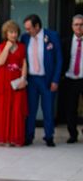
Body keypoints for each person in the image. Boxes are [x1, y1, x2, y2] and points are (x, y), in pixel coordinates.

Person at [20, 14, 63, 147]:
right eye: (26, 28)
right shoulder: (25, 38)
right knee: (30, 110)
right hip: (31, 80)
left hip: (47, 80)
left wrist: (55, 80)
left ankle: (49, 136)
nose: (27, 31)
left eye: (29, 28)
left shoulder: (52, 36)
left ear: (37, 26)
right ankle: (29, 136)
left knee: (48, 109)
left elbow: (59, 60)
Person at [0, 20, 28, 147]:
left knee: (17, 109)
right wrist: (7, 47)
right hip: (4, 81)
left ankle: (15, 138)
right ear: (5, 33)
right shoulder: (0, 47)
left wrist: (23, 78)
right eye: (11, 32)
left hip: (17, 81)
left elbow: (24, 63)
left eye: (15, 32)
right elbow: (0, 62)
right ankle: (4, 138)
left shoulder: (22, 47)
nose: (13, 35)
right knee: (4, 108)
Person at [62, 14, 83, 143]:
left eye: (81, 24)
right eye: (76, 24)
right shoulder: (65, 41)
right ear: (72, 26)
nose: (79, 27)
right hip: (70, 78)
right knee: (71, 108)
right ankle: (73, 134)